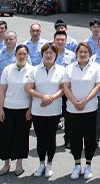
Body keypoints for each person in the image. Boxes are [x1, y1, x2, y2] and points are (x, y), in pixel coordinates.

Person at [63, 42, 100, 180]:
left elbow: (97, 86)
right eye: (80, 52)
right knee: (75, 138)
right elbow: (66, 87)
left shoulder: (96, 67)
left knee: (89, 138)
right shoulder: (69, 68)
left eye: (85, 52)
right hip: (72, 109)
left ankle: (88, 165)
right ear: (76, 54)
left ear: (90, 54)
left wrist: (85, 101)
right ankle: (76, 165)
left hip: (90, 108)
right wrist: (75, 102)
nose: (82, 54)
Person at [26, 43, 66, 178]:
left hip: (54, 110)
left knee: (51, 138)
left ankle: (50, 163)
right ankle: (41, 163)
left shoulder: (61, 70)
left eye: (51, 53)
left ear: (56, 55)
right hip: (38, 110)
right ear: (42, 55)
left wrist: (51, 98)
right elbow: (29, 89)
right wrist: (42, 96)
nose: (49, 55)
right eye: (46, 53)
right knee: (40, 138)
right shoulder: (34, 70)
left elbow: (63, 88)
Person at [0, 44, 32, 176]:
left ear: (27, 55)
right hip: (8, 108)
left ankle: (19, 164)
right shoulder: (8, 70)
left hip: (24, 109)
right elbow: (2, 91)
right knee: (6, 137)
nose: (22, 56)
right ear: (15, 55)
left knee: (21, 137)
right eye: (19, 54)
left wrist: (30, 109)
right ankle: (6, 164)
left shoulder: (32, 70)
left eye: (24, 54)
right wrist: (0, 109)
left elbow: (32, 93)